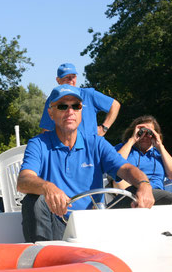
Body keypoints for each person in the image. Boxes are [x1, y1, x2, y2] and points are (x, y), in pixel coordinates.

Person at [17, 84, 155, 242]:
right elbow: (23, 181)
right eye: (62, 106)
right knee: (33, 201)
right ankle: (45, 261)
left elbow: (126, 168)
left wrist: (145, 184)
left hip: (96, 223)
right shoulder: (38, 144)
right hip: (58, 224)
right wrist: (47, 187)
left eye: (75, 106)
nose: (70, 112)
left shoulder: (96, 143)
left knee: (167, 199)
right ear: (51, 113)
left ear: (81, 110)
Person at [112, 115, 172, 213]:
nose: (145, 136)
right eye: (141, 132)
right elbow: (114, 165)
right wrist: (132, 140)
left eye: (149, 133)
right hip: (130, 193)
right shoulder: (124, 148)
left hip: (155, 194)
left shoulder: (159, 154)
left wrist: (160, 146)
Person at [39, 63, 121, 136]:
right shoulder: (52, 99)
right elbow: (47, 129)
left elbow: (115, 105)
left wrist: (104, 128)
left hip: (90, 148)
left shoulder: (88, 94)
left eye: (73, 76)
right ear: (58, 80)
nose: (70, 80)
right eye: (66, 77)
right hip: (65, 149)